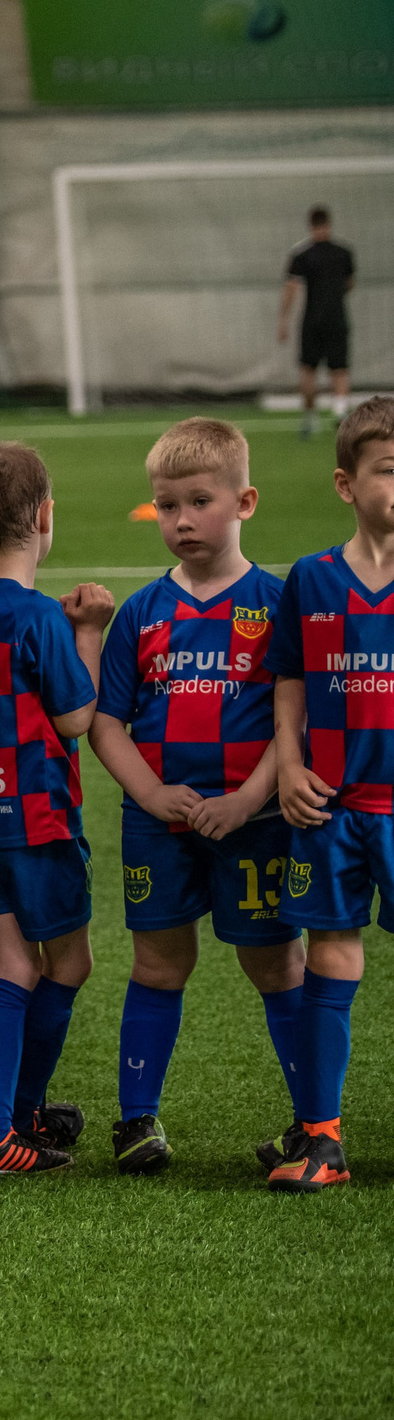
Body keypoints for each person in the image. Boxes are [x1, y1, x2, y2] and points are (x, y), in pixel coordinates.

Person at [88, 418, 302, 1178]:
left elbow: (295, 721)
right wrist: (149, 792)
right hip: (159, 825)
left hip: (259, 820)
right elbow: (106, 720)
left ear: (244, 501)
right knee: (157, 963)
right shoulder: (142, 613)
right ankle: (136, 1120)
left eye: (198, 501)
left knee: (275, 964)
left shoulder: (281, 603)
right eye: (164, 505)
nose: (179, 519)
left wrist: (245, 800)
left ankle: (315, 1122)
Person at [0, 443, 112, 1179]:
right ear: (45, 517)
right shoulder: (40, 616)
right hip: (34, 814)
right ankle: (3, 1123)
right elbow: (76, 718)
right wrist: (92, 633)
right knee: (65, 962)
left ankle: (2, 1123)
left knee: (12, 960)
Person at [265, 396, 394, 1193]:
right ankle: (322, 1138)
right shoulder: (311, 580)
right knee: (329, 959)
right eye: (388, 470)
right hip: (333, 807)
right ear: (348, 484)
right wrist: (286, 760)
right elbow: (288, 681)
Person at [282, 205, 357, 440]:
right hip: (337, 317)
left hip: (312, 319)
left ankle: (310, 419)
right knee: (339, 368)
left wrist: (284, 318)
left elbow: (291, 288)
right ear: (329, 224)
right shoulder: (344, 252)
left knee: (309, 368)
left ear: (310, 225)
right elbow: (350, 284)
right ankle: (340, 412)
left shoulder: (302, 254)